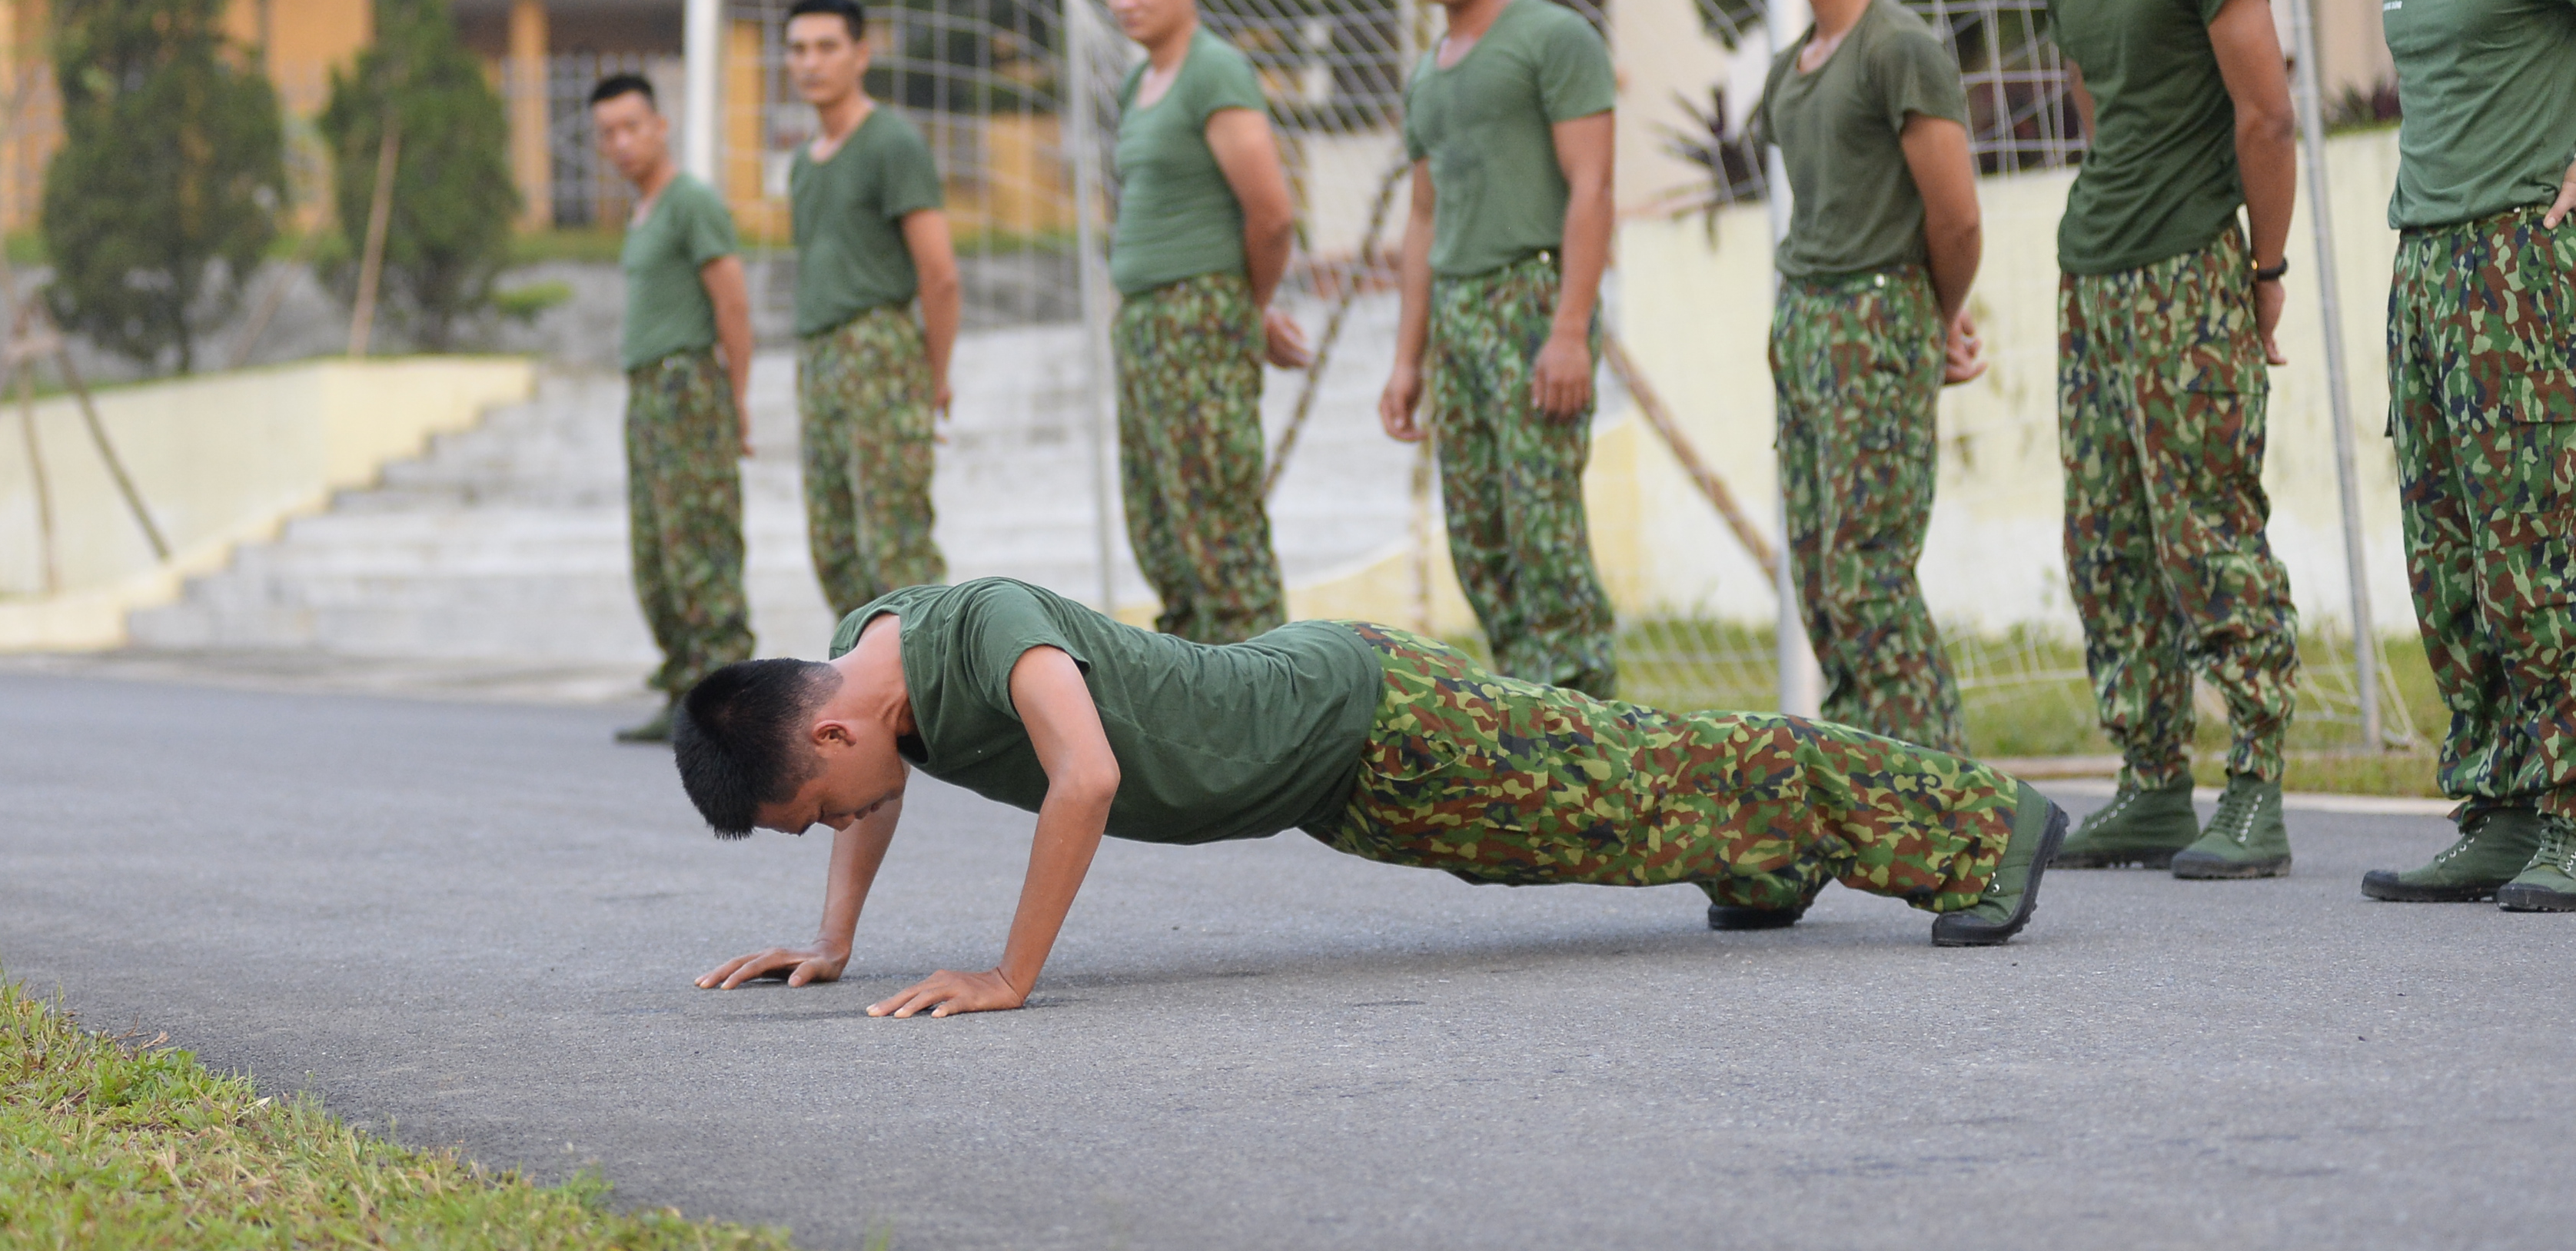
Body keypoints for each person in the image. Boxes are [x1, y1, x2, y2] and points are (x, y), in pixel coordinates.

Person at [673, 577, 2070, 1016]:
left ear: (841, 724)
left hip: (1372, 712)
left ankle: (1979, 828)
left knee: (1647, 770)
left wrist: (1008, 973)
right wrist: (839, 937)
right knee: (1586, 834)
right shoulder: (873, 681)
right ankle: (1766, 859)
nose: (848, 820)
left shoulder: (980, 628)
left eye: (824, 804)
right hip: (1336, 776)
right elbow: (885, 798)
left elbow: (1086, 774)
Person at [2034, 0, 2302, 878]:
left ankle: (2255, 782)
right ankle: (2149, 781)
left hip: (2193, 266)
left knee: (2207, 526)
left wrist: (2265, 273)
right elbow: (2099, 123)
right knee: (2104, 536)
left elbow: (2269, 114)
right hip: (2090, 281)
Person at [2324, 0, 2576, 913]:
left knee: (2541, 550)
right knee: (2452, 556)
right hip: (2423, 271)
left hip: (2519, 271)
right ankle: (2502, 805)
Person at [1753, 0, 1986, 752]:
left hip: (1876, 315)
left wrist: (1937, 313)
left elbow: (1957, 218)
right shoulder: (1791, 66)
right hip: (1804, 320)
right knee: (1819, 580)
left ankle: (1960, 806)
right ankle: (1865, 793)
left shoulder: (1900, 49)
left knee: (1868, 575)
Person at [1378, 0, 1617, 697]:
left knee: (1545, 534)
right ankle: (1527, 730)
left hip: (1532, 300)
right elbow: (1422, 217)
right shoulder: (1425, 71)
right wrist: (1408, 358)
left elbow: (1593, 186)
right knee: (1479, 538)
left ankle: (1590, 735)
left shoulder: (1553, 37)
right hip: (1456, 315)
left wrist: (1567, 329)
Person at [1102, 0, 1309, 643]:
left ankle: (1274, 714)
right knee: (1161, 532)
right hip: (1145, 327)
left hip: (1200, 317)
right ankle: (1198, 712)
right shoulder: (1139, 85)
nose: (1125, 0)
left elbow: (1272, 213)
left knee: (1220, 535)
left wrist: (1244, 309)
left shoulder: (1214, 69)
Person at [783, 0, 959, 617]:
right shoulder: (803, 163)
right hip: (820, 357)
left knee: (895, 541)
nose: (811, 63)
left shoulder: (891, 142)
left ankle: (937, 697)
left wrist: (934, 376)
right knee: (833, 543)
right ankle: (867, 698)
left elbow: (938, 274)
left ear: (862, 54)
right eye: (799, 49)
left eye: (827, 47)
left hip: (880, 349)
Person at [593, 72, 753, 745]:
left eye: (633, 126)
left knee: (699, 541)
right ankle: (684, 690)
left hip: (689, 385)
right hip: (648, 392)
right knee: (656, 549)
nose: (622, 142)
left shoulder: (690, 200)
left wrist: (736, 399)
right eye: (608, 133)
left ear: (661, 126)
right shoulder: (645, 209)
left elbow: (733, 303)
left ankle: (730, 701)